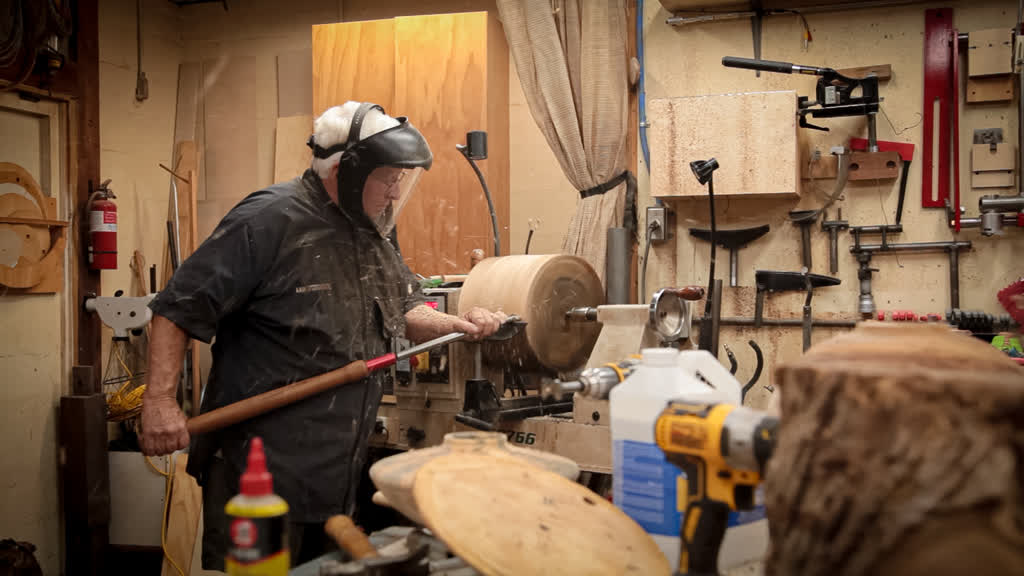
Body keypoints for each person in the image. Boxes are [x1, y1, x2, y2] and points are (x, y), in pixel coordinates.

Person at [140, 101, 506, 568]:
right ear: (345, 171)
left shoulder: (372, 228)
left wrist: (456, 325)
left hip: (336, 472)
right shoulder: (268, 219)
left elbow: (404, 305)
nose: (396, 193)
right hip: (262, 475)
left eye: (401, 180)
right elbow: (177, 309)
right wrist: (159, 402)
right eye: (388, 178)